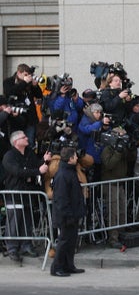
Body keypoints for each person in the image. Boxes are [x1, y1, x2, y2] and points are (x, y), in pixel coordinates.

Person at [2, 130, 50, 263]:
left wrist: (44, 161)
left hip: (28, 193)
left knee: (27, 220)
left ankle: (26, 245)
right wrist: (37, 171)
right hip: (14, 193)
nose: (27, 139)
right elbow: (17, 171)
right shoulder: (9, 156)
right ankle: (12, 248)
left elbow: (35, 165)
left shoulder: (29, 153)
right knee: (14, 221)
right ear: (16, 141)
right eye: (24, 137)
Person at [50, 147, 86, 277]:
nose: (77, 158)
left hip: (72, 213)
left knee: (71, 241)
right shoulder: (63, 174)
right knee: (64, 241)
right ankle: (57, 267)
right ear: (70, 159)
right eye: (75, 156)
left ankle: (68, 265)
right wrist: (68, 215)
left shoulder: (69, 171)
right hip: (65, 215)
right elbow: (61, 198)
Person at [3, 63, 43, 148]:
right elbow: (11, 92)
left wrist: (35, 86)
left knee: (30, 143)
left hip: (30, 119)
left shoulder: (29, 83)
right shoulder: (8, 81)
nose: (27, 77)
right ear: (18, 73)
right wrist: (24, 82)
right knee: (16, 143)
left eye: (28, 75)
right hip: (16, 118)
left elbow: (39, 95)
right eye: (25, 75)